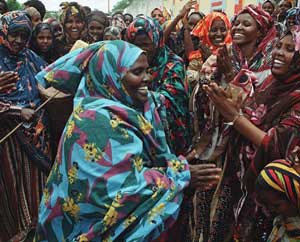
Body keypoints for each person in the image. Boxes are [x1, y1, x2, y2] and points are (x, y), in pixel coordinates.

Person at [34, 40, 221, 242]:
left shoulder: (124, 110)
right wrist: (181, 176)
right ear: (111, 76)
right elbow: (115, 192)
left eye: (147, 71)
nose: (147, 78)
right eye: (137, 72)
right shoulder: (96, 122)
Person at [203, 28, 300, 241]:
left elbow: (276, 147)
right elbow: (252, 113)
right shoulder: (271, 85)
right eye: (278, 46)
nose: (279, 53)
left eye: (290, 49)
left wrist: (233, 115)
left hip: (275, 200)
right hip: (246, 185)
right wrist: (230, 103)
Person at [0, 11, 52, 241]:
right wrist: (14, 110)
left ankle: (34, 226)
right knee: (11, 185)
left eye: (24, 35)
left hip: (36, 133)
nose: (19, 40)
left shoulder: (31, 58)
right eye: (14, 34)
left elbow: (51, 79)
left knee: (36, 184)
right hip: (7, 137)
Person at [126, 16, 190, 156]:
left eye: (145, 45)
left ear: (156, 42)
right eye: (135, 45)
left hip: (170, 135)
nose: (140, 50)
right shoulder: (127, 64)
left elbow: (170, 99)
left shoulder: (173, 65)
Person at [255, 159, 300, 241]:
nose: (271, 209)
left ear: (294, 196)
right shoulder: (282, 223)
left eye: (276, 205)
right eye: (267, 204)